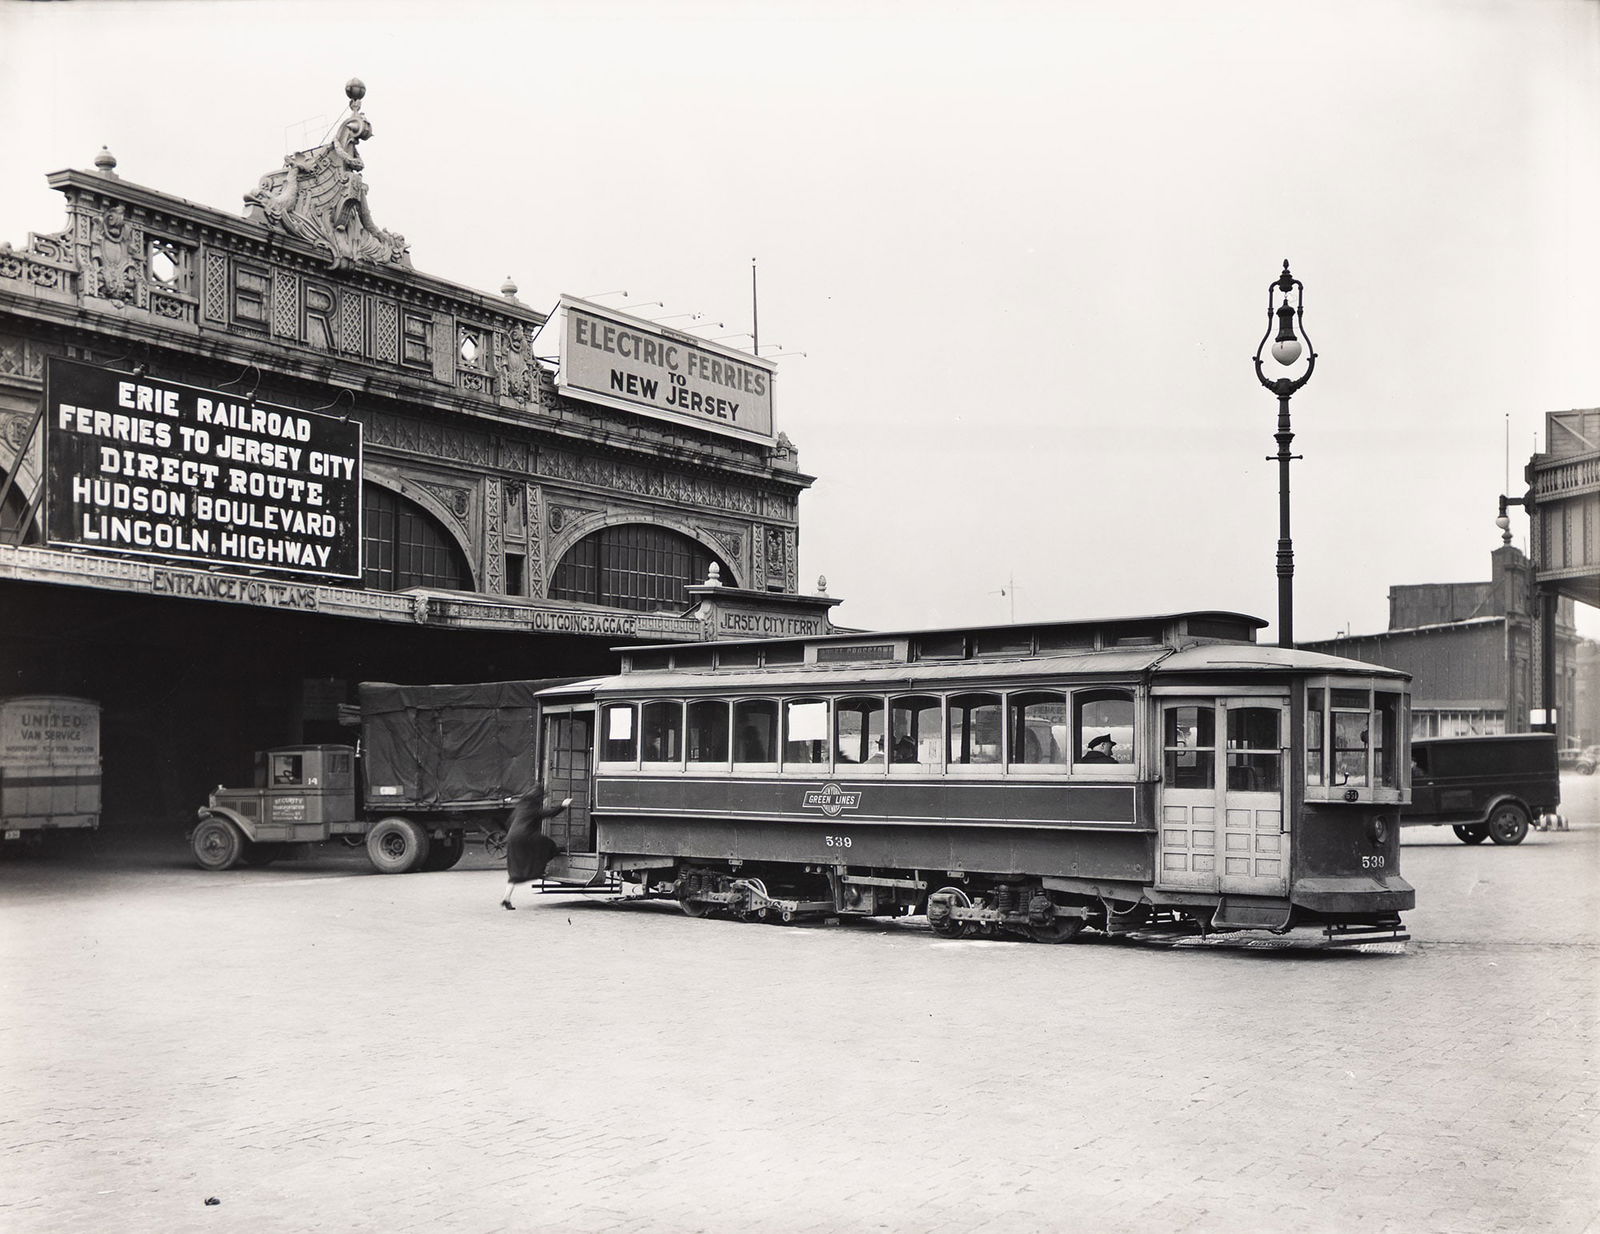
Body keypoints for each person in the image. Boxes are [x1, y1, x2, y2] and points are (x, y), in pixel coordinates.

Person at [500, 783, 572, 910]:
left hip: (512, 838)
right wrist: (563, 805)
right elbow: (550, 813)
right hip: (525, 836)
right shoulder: (533, 808)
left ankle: (506, 898)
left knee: (515, 871)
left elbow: (509, 822)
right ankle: (542, 867)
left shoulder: (521, 806)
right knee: (547, 844)